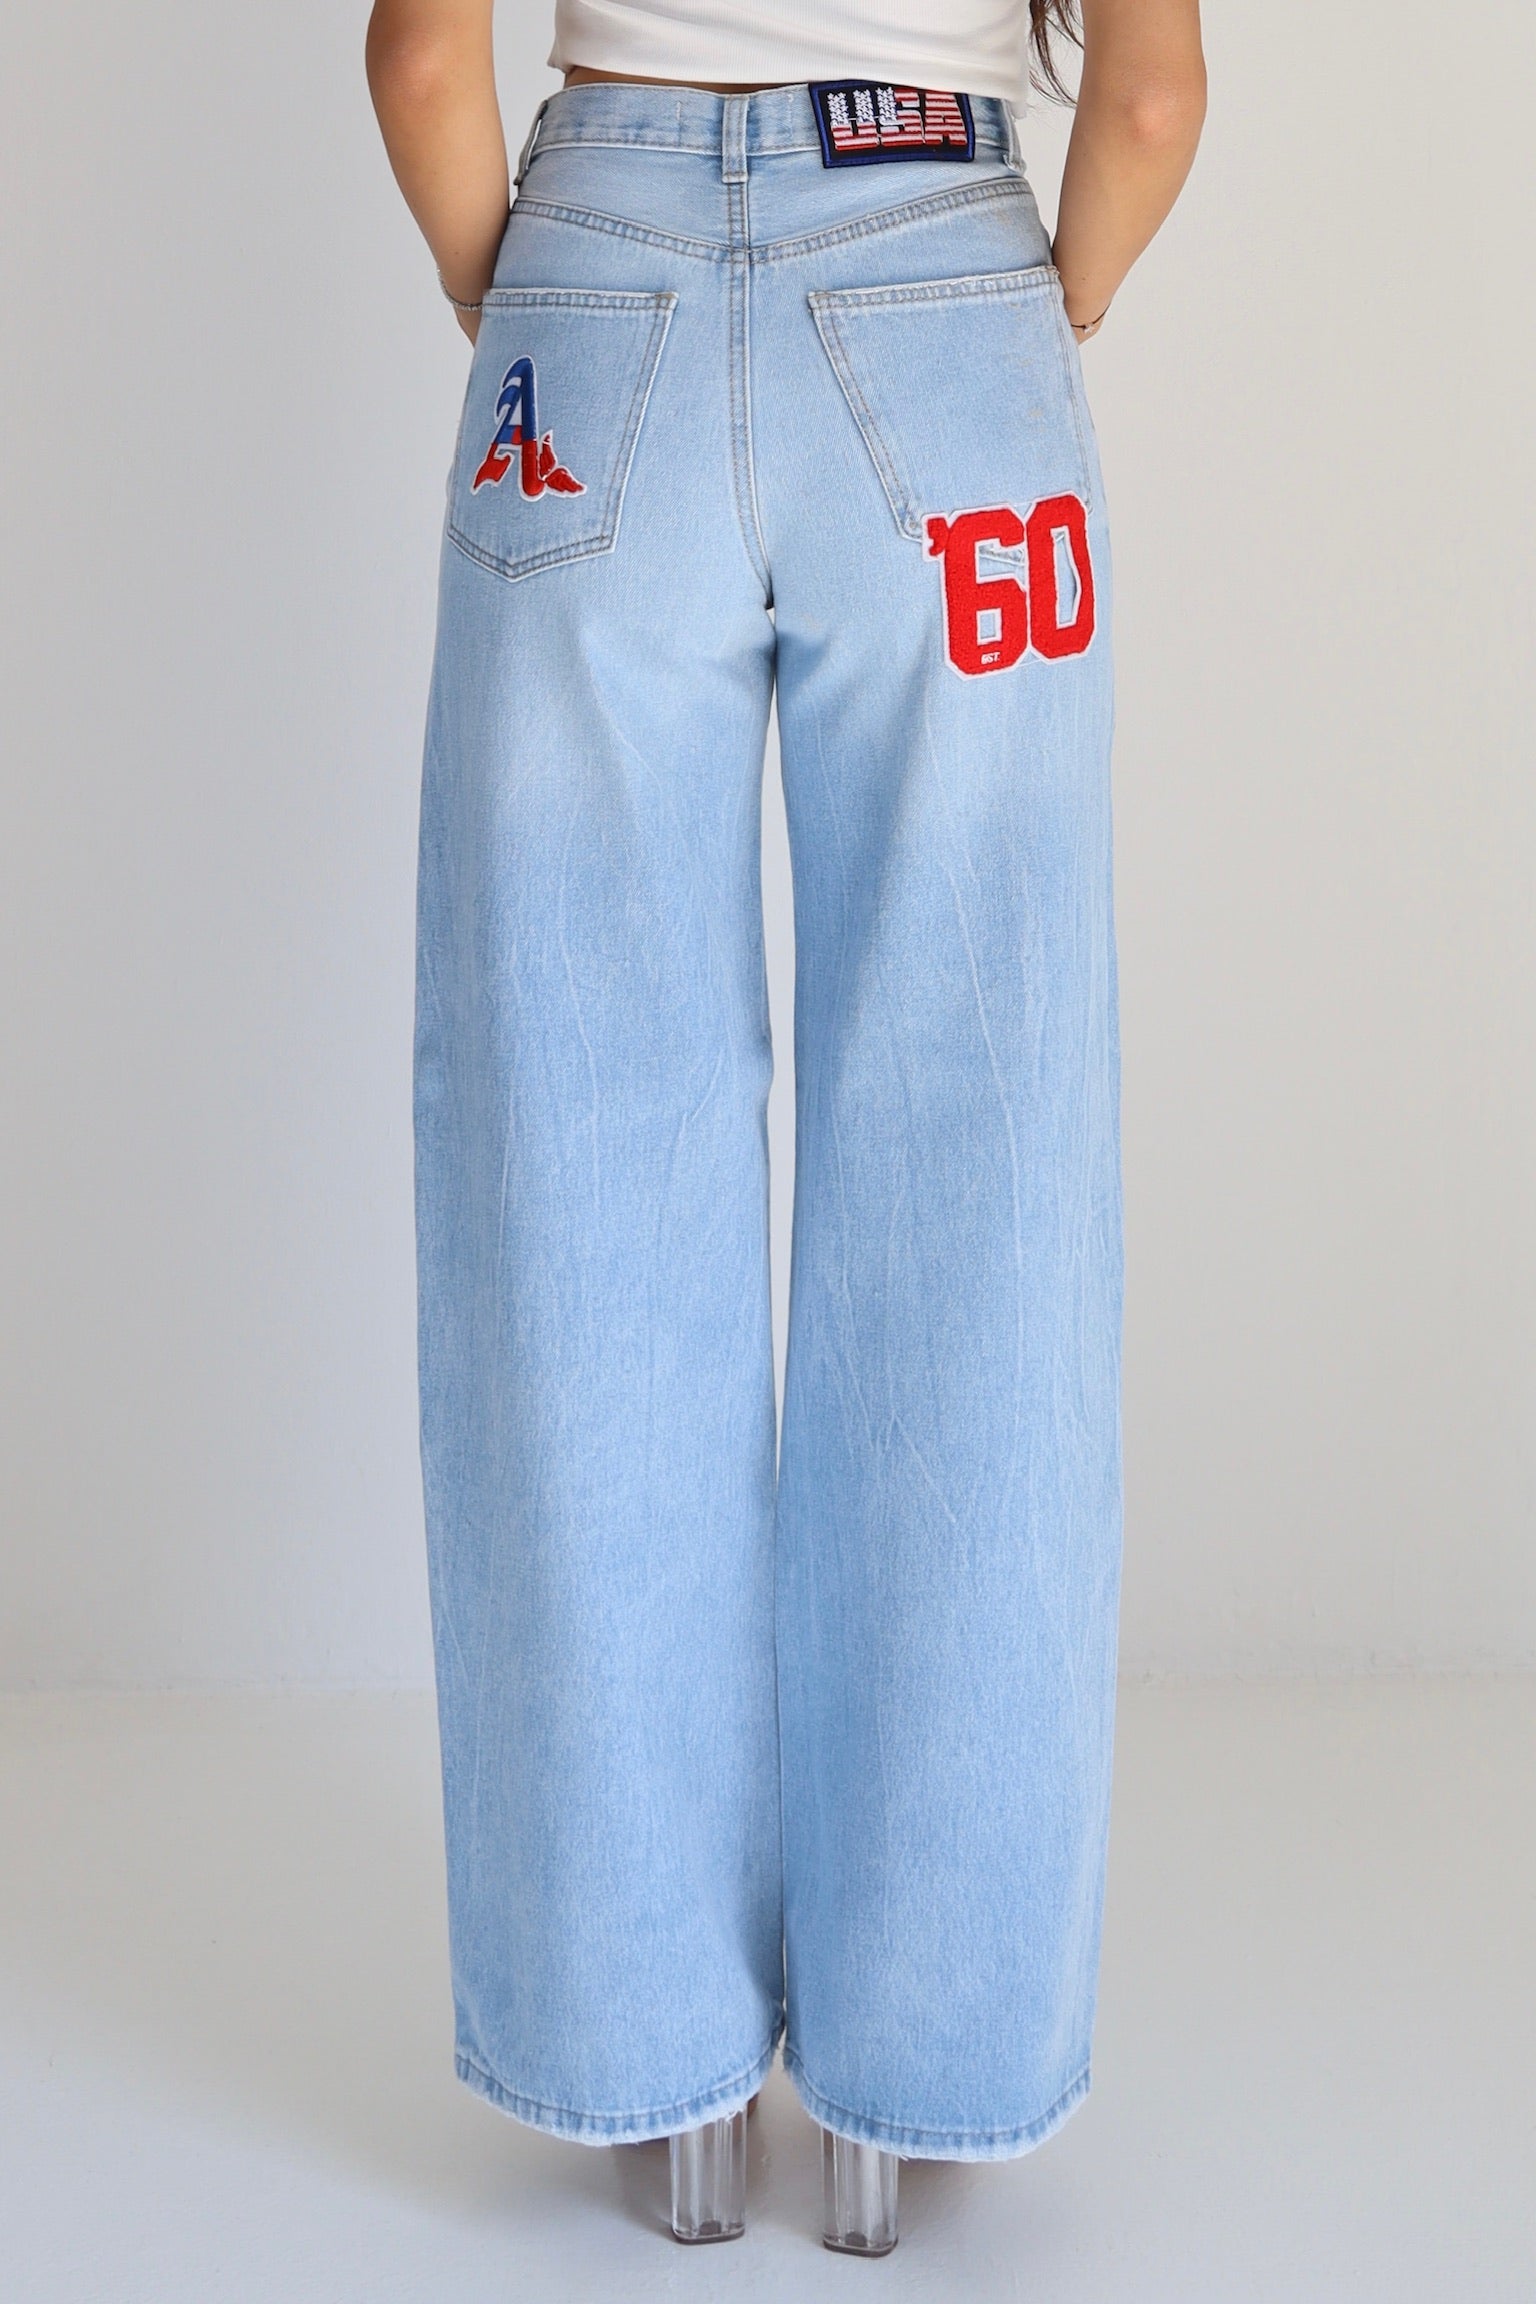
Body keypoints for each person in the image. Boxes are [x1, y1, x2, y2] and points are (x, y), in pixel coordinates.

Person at [367, 0, 1205, 2251]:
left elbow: (424, 62)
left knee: (575, 1169)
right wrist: (1033, 316)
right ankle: (916, 2085)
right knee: (982, 1183)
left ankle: (645, 2068)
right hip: (950, 317)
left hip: (591, 300)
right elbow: (1147, 98)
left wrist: (529, 292)